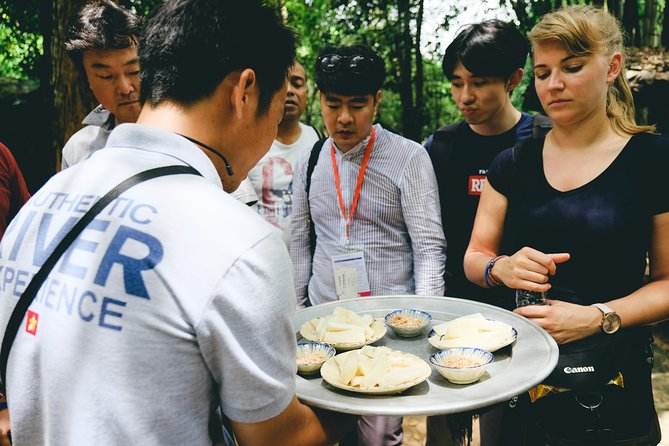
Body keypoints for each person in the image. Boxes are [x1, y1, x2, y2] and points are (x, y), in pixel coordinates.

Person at [0, 0, 353, 444]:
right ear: (244, 91)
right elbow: (276, 439)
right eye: (278, 105)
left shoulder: (42, 204)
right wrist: (364, 396)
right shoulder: (238, 242)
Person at [464, 5, 669, 444]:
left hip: (613, 385)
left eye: (572, 67)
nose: (553, 85)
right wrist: (499, 267)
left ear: (612, 66)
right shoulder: (512, 164)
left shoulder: (653, 160)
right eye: (542, 73)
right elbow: (475, 256)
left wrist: (598, 317)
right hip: (522, 384)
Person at [290, 44, 446, 446]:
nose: (343, 118)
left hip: (387, 330)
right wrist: (298, 314)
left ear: (376, 102)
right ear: (319, 100)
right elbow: (298, 238)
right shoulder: (311, 159)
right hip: (323, 326)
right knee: (318, 430)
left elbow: (429, 247)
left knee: (379, 437)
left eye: (357, 104)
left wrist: (422, 328)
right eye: (333, 103)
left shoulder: (409, 158)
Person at [424, 20, 550, 446]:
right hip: (452, 321)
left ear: (514, 79)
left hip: (525, 323)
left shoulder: (545, 140)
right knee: (443, 435)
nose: (465, 97)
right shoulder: (438, 148)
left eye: (478, 83)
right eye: (457, 83)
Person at [244, 60, 321, 245]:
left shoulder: (317, 140)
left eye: (297, 83)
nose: (289, 91)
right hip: (263, 258)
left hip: (308, 261)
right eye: (282, 83)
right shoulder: (250, 141)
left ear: (307, 93)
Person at [61, 0, 142, 170]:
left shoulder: (189, 132)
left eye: (134, 71)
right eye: (106, 76)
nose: (125, 88)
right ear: (88, 80)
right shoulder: (78, 151)